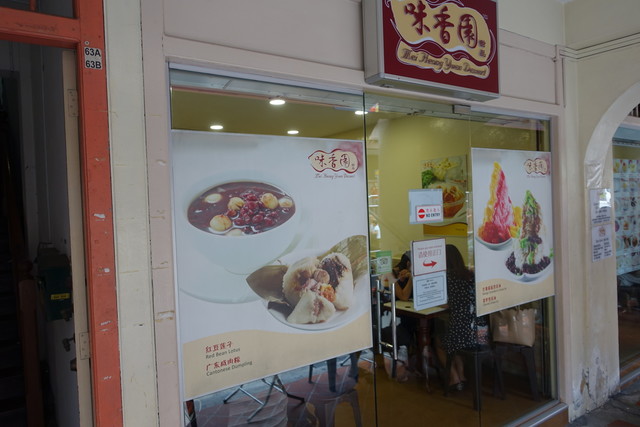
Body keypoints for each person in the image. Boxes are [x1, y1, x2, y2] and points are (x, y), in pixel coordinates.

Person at [438, 244, 485, 390]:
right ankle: (462, 375)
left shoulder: (448, 277)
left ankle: (454, 377)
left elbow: (446, 304)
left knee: (439, 343)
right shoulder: (471, 274)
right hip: (481, 332)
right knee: (454, 341)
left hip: (462, 331)